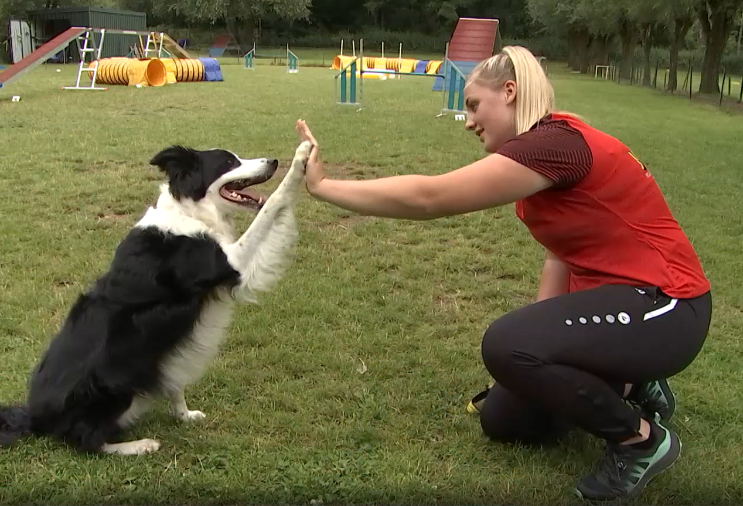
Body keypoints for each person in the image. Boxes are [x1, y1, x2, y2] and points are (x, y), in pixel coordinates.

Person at [294, 45, 712, 501]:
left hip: (668, 305)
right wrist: (537, 355)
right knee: (504, 418)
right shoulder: (540, 158)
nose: (468, 120)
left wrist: (323, 186)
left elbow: (429, 199)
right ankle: (635, 381)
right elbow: (561, 255)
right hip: (622, 309)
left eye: (474, 105)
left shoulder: (556, 143)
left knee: (505, 344)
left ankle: (641, 439)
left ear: (509, 92)